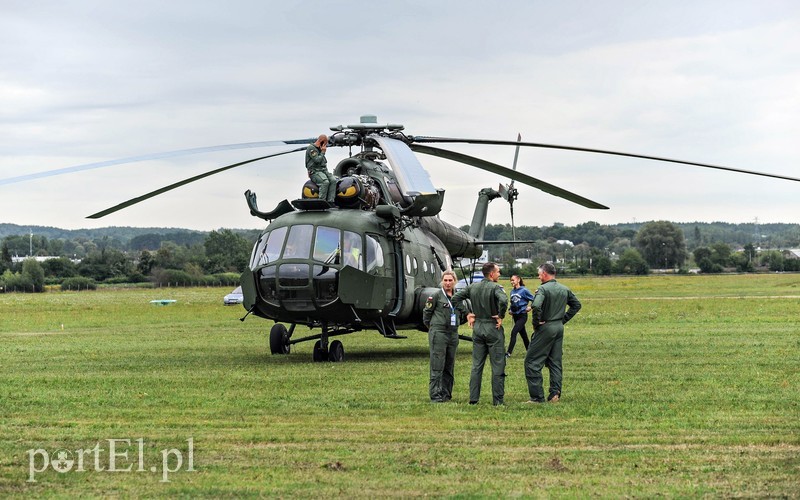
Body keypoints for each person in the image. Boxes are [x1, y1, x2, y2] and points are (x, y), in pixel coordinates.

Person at [452, 262, 508, 406]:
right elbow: (503, 300)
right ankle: (498, 400)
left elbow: (455, 298)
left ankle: (473, 398)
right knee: (497, 365)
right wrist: (500, 315)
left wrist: (467, 314)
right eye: (498, 272)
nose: (499, 274)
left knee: (476, 365)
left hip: (478, 327)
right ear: (491, 274)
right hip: (492, 326)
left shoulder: (472, 287)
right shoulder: (496, 287)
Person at [524, 262, 581, 404]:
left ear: (544, 274)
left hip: (546, 327)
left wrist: (536, 323)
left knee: (531, 362)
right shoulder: (564, 288)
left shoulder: (542, 290)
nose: (538, 277)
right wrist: (563, 319)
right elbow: (576, 305)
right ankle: (555, 393)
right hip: (558, 327)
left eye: (539, 274)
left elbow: (536, 305)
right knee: (555, 362)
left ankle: (537, 397)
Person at [422, 270, 467, 402]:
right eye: (445, 280)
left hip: (453, 333)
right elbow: (427, 314)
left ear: (454, 281)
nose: (448, 283)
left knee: (449, 364)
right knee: (437, 364)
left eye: (450, 280)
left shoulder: (458, 296)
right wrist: (432, 328)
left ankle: (446, 394)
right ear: (442, 281)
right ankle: (435, 395)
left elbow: (462, 311)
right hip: (439, 332)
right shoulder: (435, 296)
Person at [506, 275, 535, 358]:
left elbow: (535, 299)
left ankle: (508, 353)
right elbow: (512, 303)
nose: (511, 282)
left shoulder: (524, 290)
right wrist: (510, 310)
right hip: (515, 316)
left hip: (522, 316)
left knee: (514, 332)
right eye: (510, 280)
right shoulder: (512, 291)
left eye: (513, 280)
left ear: (518, 280)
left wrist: (530, 307)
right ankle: (530, 352)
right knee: (524, 335)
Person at [305, 134, 336, 203]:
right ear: (322, 141)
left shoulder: (319, 149)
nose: (325, 145)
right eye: (325, 143)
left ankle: (331, 201)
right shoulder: (312, 148)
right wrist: (323, 152)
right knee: (325, 182)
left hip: (323, 171)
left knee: (333, 180)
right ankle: (321, 201)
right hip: (315, 172)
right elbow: (317, 160)